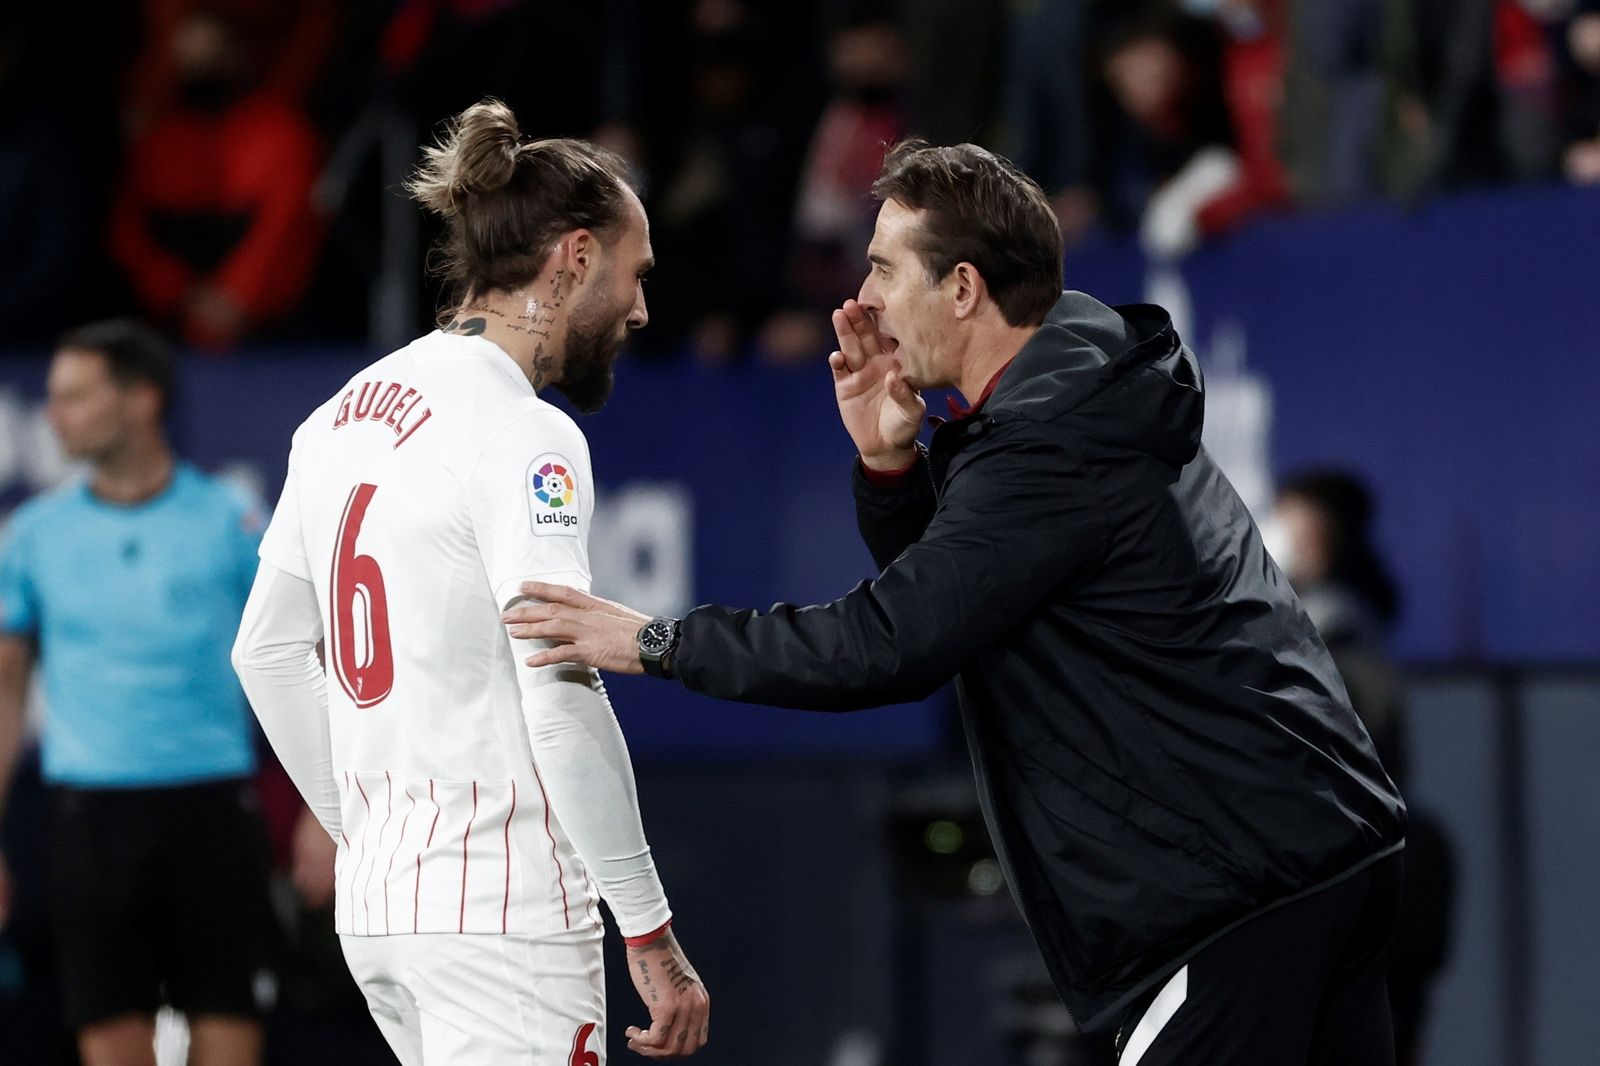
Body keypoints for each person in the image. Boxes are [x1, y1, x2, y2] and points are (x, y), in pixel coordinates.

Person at [505, 139, 1408, 1064]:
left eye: (888, 269)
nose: (866, 302)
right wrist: (893, 467)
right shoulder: (1075, 388)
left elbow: (890, 642)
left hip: (1234, 900)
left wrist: (657, 642)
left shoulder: (1049, 449)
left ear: (965, 288)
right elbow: (971, 600)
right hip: (1313, 860)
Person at [231, 99, 709, 1065]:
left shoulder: (338, 416)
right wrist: (650, 932)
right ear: (574, 256)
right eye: (634, 272)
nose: (641, 308)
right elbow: (561, 694)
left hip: (383, 914)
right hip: (503, 916)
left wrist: (369, 830)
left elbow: (268, 651)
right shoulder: (525, 433)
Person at [0, 319, 276, 1066]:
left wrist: (327, 816)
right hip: (88, 822)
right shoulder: (31, 536)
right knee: (112, 1041)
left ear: (141, 401)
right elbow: (5, 694)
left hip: (213, 811)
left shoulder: (233, 523)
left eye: (75, 398)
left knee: (228, 1032)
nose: (54, 415)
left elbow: (303, 672)